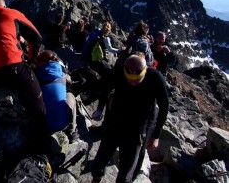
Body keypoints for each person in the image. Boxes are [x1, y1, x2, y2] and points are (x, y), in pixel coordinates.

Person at [0, 0, 48, 150]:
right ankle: (42, 147)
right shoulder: (11, 13)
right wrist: (31, 60)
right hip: (13, 66)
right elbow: (36, 37)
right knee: (38, 105)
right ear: (3, 5)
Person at [90, 53, 169, 183]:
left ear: (144, 71)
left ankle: (129, 178)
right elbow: (106, 88)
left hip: (139, 125)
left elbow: (164, 105)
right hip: (117, 119)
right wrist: (100, 109)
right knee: (102, 155)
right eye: (129, 79)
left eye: (136, 80)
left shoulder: (155, 78)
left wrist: (156, 134)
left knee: (129, 166)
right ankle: (96, 177)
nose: (132, 83)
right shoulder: (119, 71)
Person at [33, 50, 78, 142]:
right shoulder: (62, 73)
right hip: (62, 124)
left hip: (45, 125)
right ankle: (72, 131)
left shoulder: (36, 74)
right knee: (70, 96)